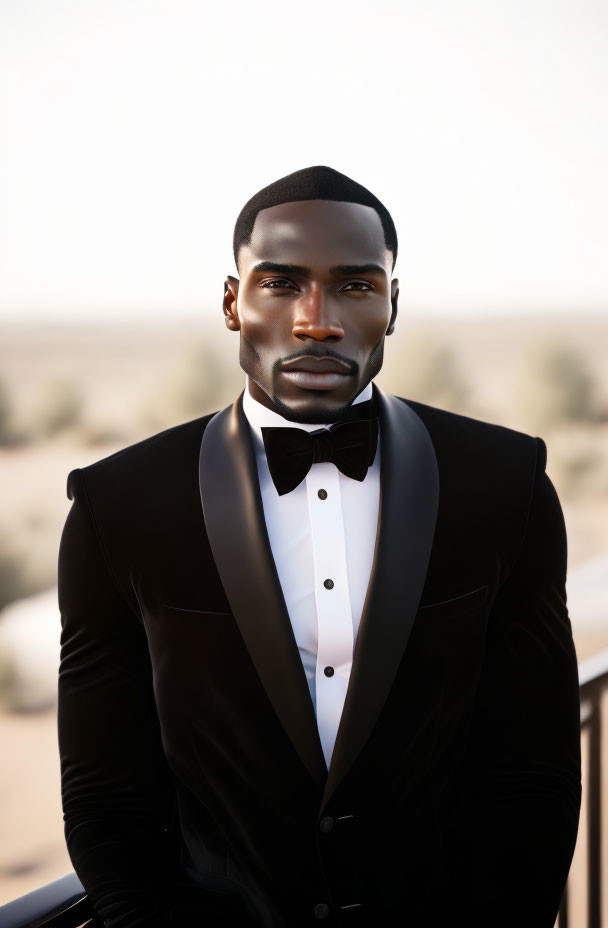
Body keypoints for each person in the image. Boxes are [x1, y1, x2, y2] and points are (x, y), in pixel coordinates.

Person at [57, 165, 582, 928]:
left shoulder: (506, 482)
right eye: (280, 283)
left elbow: (534, 770)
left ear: (393, 306)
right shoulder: (118, 504)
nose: (316, 320)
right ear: (233, 303)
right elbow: (105, 795)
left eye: (356, 286)